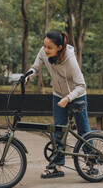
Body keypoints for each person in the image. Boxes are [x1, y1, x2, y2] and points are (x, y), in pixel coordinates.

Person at [26, 31, 92, 179]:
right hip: (58, 94)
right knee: (58, 130)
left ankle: (92, 162)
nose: (45, 49)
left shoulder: (70, 60)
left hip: (76, 95)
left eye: (49, 47)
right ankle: (56, 166)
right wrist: (27, 76)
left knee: (83, 130)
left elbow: (81, 85)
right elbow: (35, 68)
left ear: (59, 47)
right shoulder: (44, 53)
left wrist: (68, 98)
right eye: (44, 45)